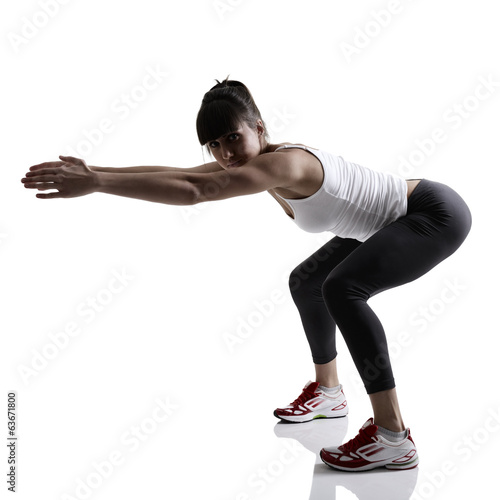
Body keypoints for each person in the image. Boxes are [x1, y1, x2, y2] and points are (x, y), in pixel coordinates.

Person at [21, 77, 472, 472]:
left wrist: (98, 186)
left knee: (341, 288)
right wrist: (94, 171)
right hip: (388, 221)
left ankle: (393, 439)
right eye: (214, 145)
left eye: (232, 138)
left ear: (259, 128)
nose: (224, 153)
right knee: (307, 282)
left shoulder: (283, 163)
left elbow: (193, 190)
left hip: (431, 214)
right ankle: (330, 394)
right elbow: (181, 172)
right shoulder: (253, 162)